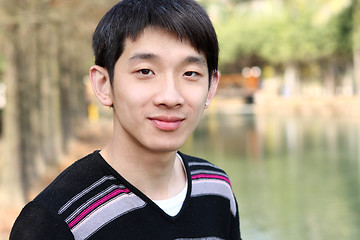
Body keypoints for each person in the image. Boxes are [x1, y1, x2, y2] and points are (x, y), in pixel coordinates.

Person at [10, 0, 242, 239]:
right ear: (103, 84)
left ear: (211, 86)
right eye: (145, 71)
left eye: (190, 73)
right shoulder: (55, 220)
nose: (170, 97)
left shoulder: (216, 189)